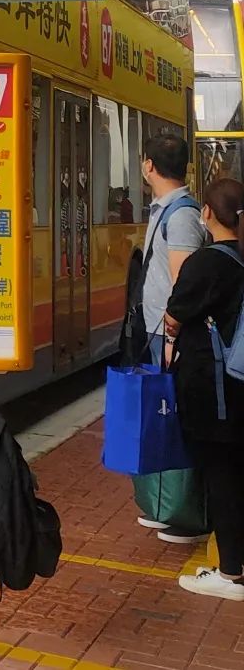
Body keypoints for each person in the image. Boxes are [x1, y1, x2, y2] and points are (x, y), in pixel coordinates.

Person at [165, 178, 244, 602]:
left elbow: (174, 315)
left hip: (217, 390)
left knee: (222, 474)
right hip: (240, 383)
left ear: (208, 213)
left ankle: (232, 573)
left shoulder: (206, 263)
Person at [132, 134, 207, 541]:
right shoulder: (166, 210)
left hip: (172, 336)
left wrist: (173, 337)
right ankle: (167, 503)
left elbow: (184, 284)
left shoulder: (179, 215)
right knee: (166, 420)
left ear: (148, 167)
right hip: (161, 332)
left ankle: (187, 515)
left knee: (179, 421)